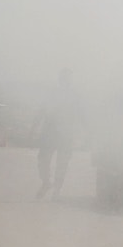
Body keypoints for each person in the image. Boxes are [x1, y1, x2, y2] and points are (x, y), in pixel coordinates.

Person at [32, 68, 79, 200]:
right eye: (62, 77)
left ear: (70, 80)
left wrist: (89, 133)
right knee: (43, 160)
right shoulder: (52, 93)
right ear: (60, 79)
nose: (64, 80)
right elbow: (41, 110)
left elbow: (82, 115)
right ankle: (46, 182)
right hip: (51, 132)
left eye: (67, 77)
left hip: (66, 134)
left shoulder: (74, 95)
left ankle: (57, 189)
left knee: (62, 163)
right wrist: (33, 128)